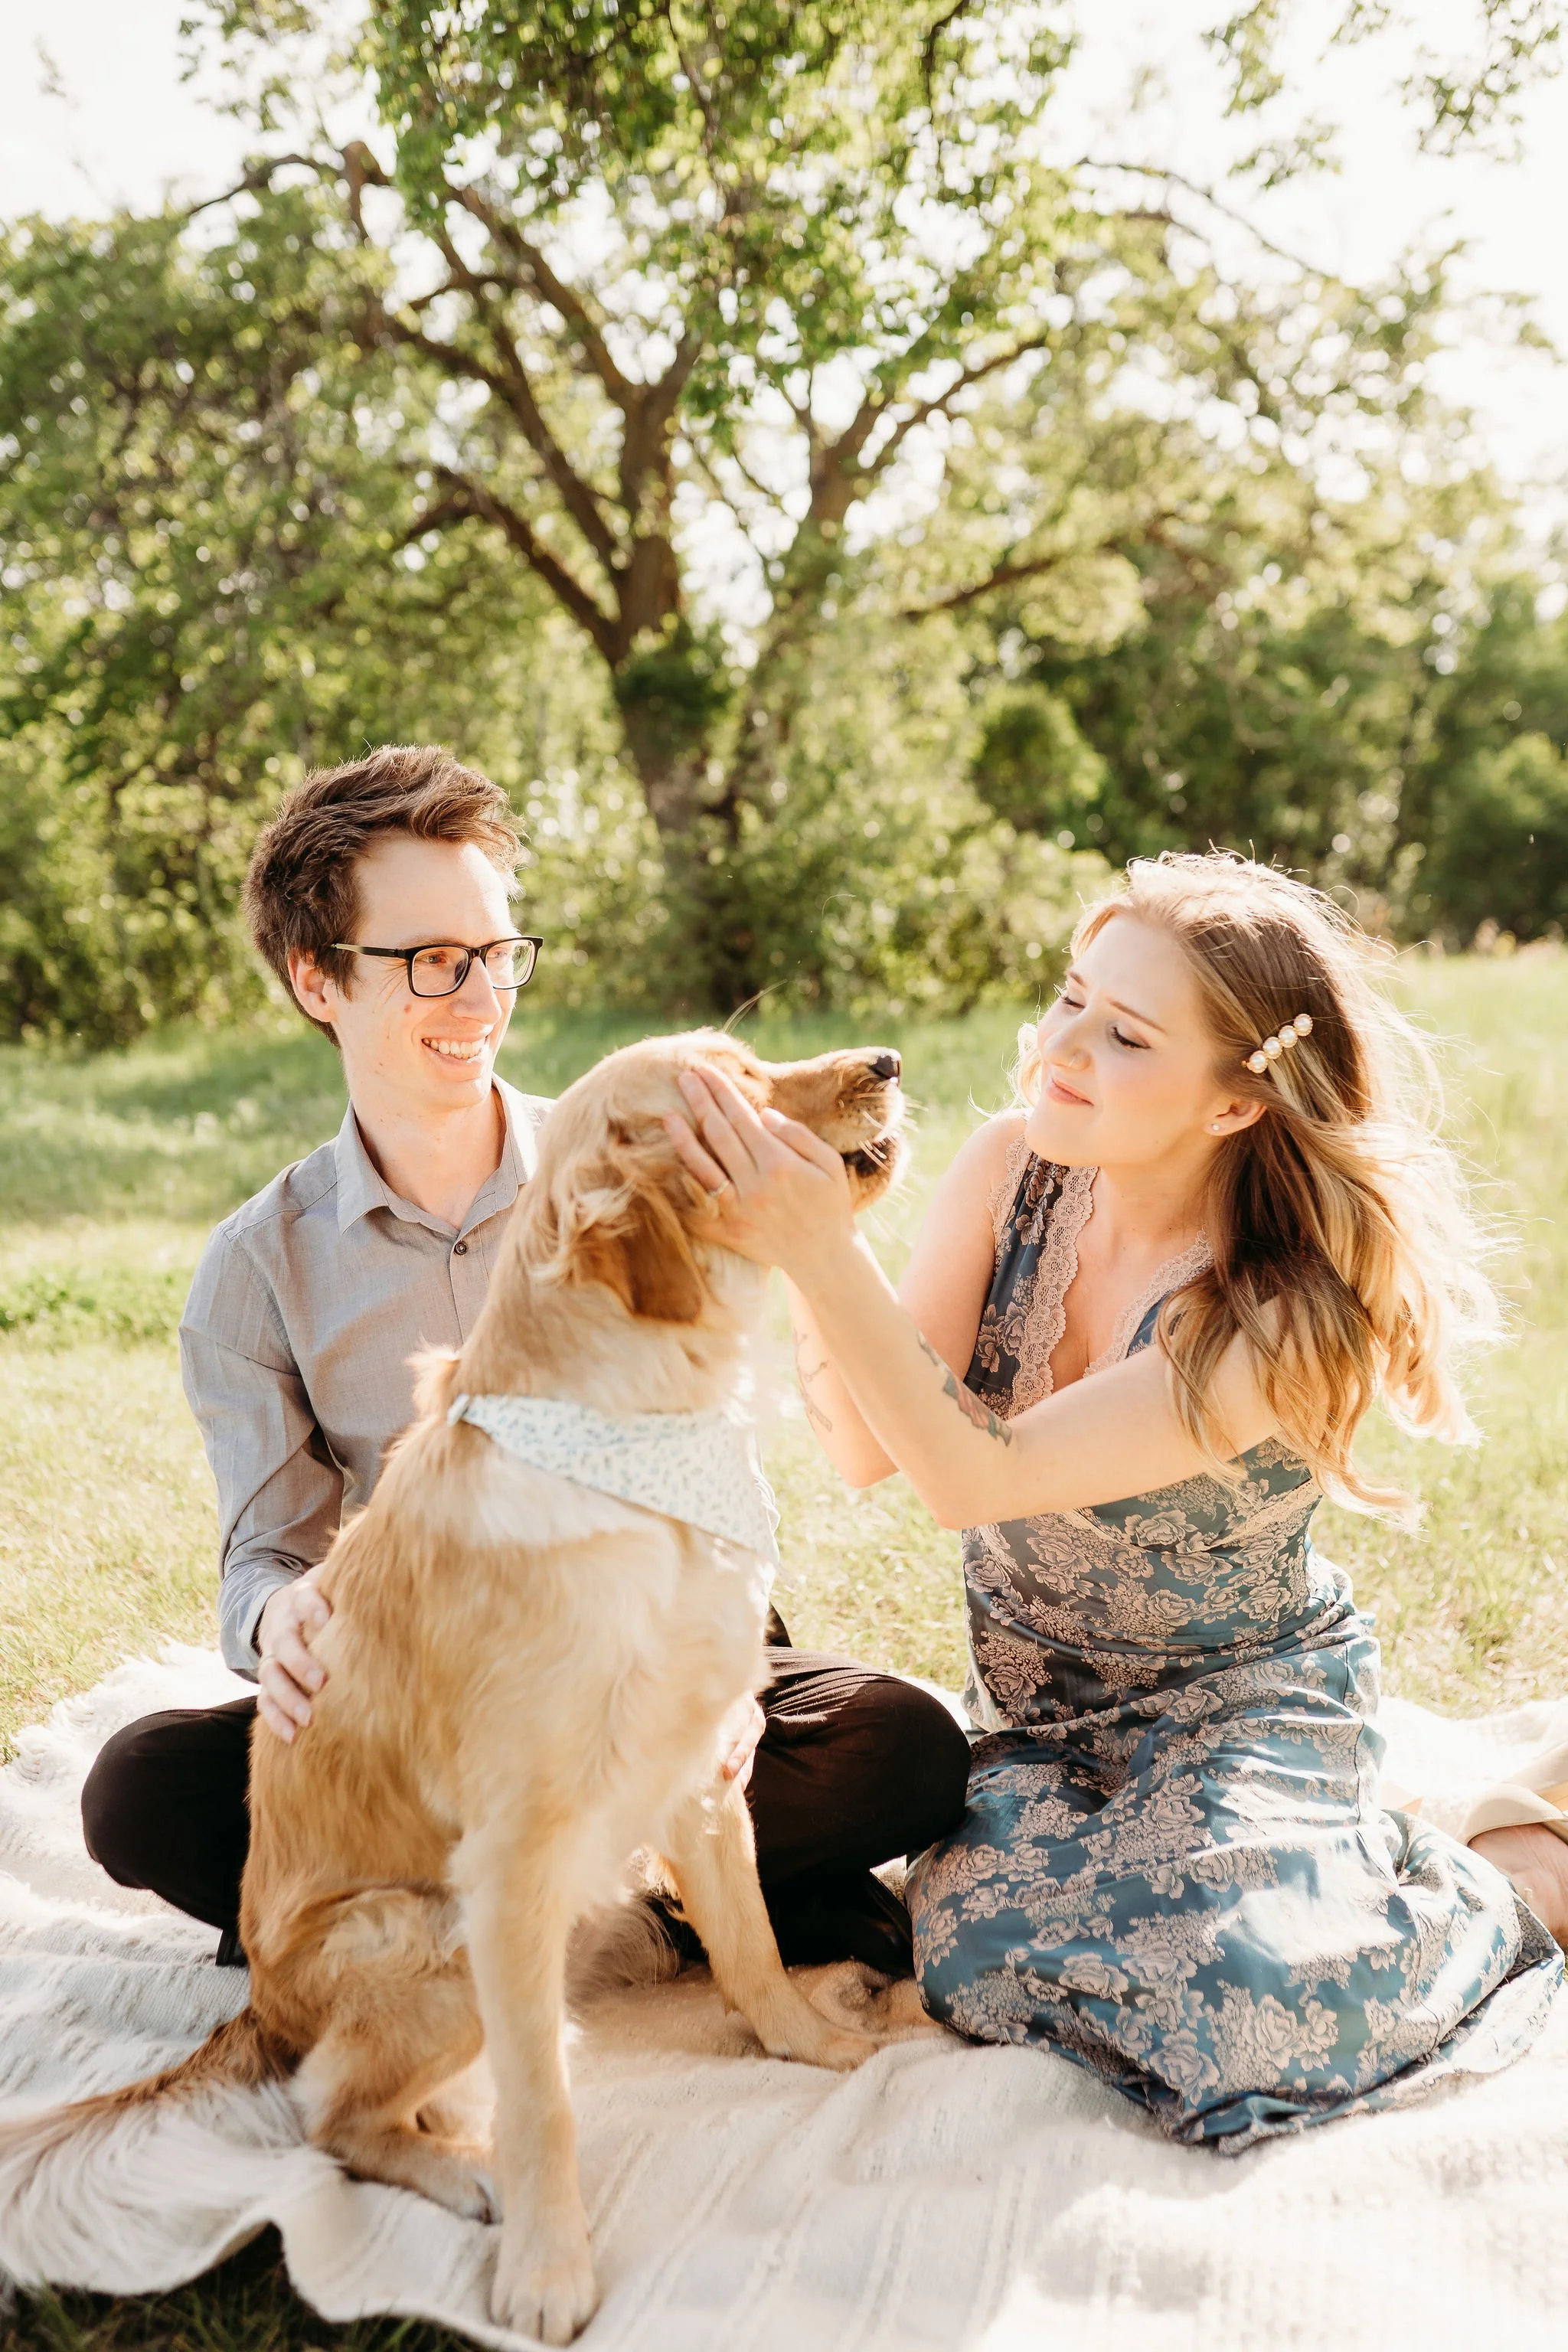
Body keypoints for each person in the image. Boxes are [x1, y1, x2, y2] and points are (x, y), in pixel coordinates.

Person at [667, 850, 1565, 2148]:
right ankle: (1319, 1867)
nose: (1064, 1048)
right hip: (1039, 1714)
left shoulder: (1279, 1312)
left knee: (1243, 2004)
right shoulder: (1012, 1170)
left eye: (1128, 1035)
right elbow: (868, 1447)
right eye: (1073, 998)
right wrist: (820, 1243)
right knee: (973, 1956)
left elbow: (979, 1474)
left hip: (1239, 1698)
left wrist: (823, 1243)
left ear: (1233, 1106)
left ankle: (1514, 1872)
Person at [80, 745, 970, 1976]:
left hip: (662, 1643)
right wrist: (279, 1612)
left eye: (499, 954)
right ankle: (583, 1900)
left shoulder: (623, 1143)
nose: (482, 996)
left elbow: (761, 1408)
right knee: (136, 1789)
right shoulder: (257, 1268)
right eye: (433, 962)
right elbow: (269, 1550)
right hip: (452, 1700)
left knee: (908, 1743)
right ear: (317, 979)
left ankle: (570, 1900)